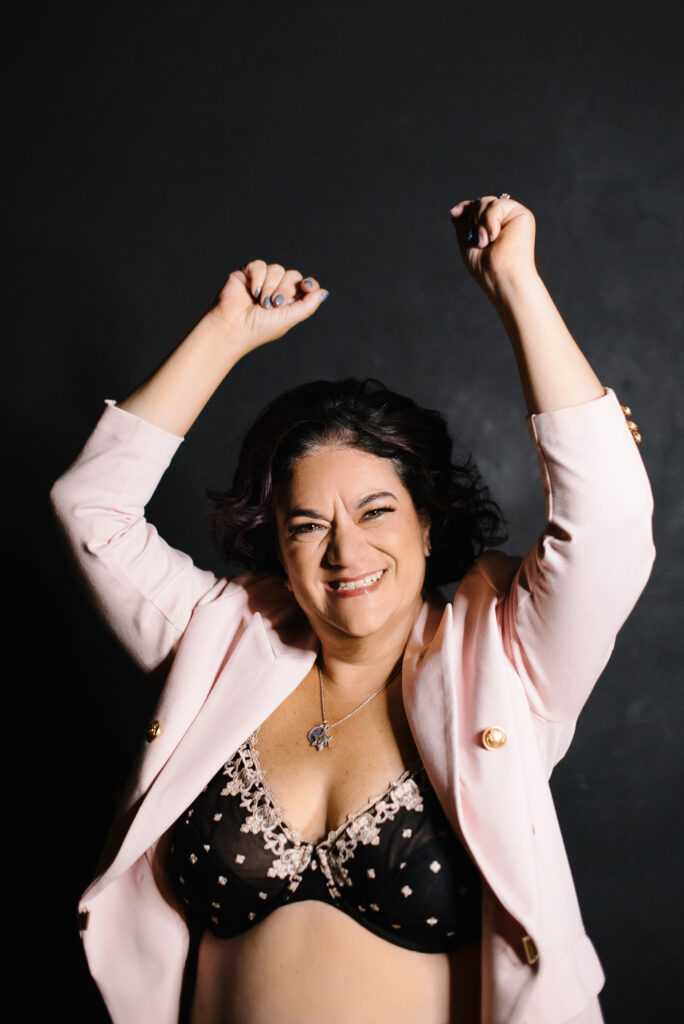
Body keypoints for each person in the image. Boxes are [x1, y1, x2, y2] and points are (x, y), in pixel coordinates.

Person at [51, 195, 655, 1024]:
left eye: (376, 512)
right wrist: (226, 332)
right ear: (279, 545)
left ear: (427, 520)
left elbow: (609, 522)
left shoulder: (508, 660)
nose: (346, 553)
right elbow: (93, 510)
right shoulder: (221, 639)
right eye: (308, 526)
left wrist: (515, 282)